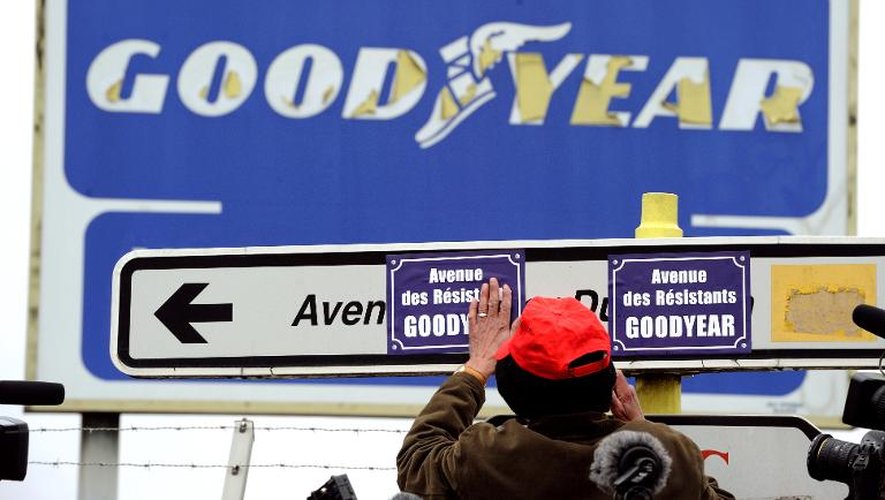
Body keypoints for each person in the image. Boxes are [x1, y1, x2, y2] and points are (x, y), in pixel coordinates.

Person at [397, 277, 734, 499]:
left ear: (517, 388)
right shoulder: (668, 455)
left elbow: (417, 460)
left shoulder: (489, 457)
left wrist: (475, 369)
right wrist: (642, 431)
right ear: (610, 384)